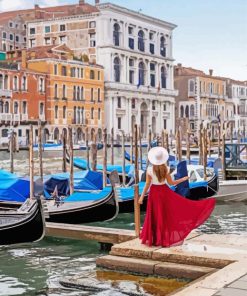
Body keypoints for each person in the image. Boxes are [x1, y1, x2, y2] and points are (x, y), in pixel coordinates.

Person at [139, 147, 215, 247]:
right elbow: (171, 183)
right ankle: (163, 239)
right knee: (164, 215)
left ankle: (155, 239)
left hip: (154, 193)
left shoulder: (149, 170)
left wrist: (141, 197)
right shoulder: (166, 169)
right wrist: (183, 179)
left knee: (154, 215)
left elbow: (147, 185)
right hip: (164, 192)